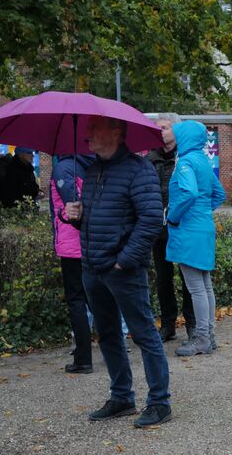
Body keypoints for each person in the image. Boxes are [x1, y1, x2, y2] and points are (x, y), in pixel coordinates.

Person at [61, 116, 171, 429]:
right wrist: (72, 215)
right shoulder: (94, 170)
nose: (87, 135)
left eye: (94, 129)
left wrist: (125, 260)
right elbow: (95, 220)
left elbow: (151, 220)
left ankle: (159, 402)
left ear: (116, 131)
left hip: (123, 270)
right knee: (108, 334)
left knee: (144, 334)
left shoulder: (139, 170)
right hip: (92, 267)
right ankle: (122, 396)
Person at [167, 121, 228, 356]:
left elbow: (189, 192)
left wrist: (173, 217)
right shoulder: (203, 160)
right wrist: (203, 211)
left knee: (196, 288)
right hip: (203, 227)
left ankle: (201, 337)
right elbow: (219, 194)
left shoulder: (185, 161)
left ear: (184, 137)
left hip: (188, 231)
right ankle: (209, 334)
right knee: (205, 285)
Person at [147, 114, 194, 342]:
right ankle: (168, 324)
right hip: (159, 227)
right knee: (163, 278)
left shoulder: (185, 157)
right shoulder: (149, 159)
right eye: (158, 128)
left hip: (182, 225)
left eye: (165, 127)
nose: (162, 131)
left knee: (188, 276)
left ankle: (192, 323)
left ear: (176, 131)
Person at [50, 154, 95, 374]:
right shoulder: (96, 166)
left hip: (71, 245)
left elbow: (73, 209)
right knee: (96, 298)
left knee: (76, 300)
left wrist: (60, 212)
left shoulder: (64, 168)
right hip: (93, 241)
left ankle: (83, 358)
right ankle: (111, 346)